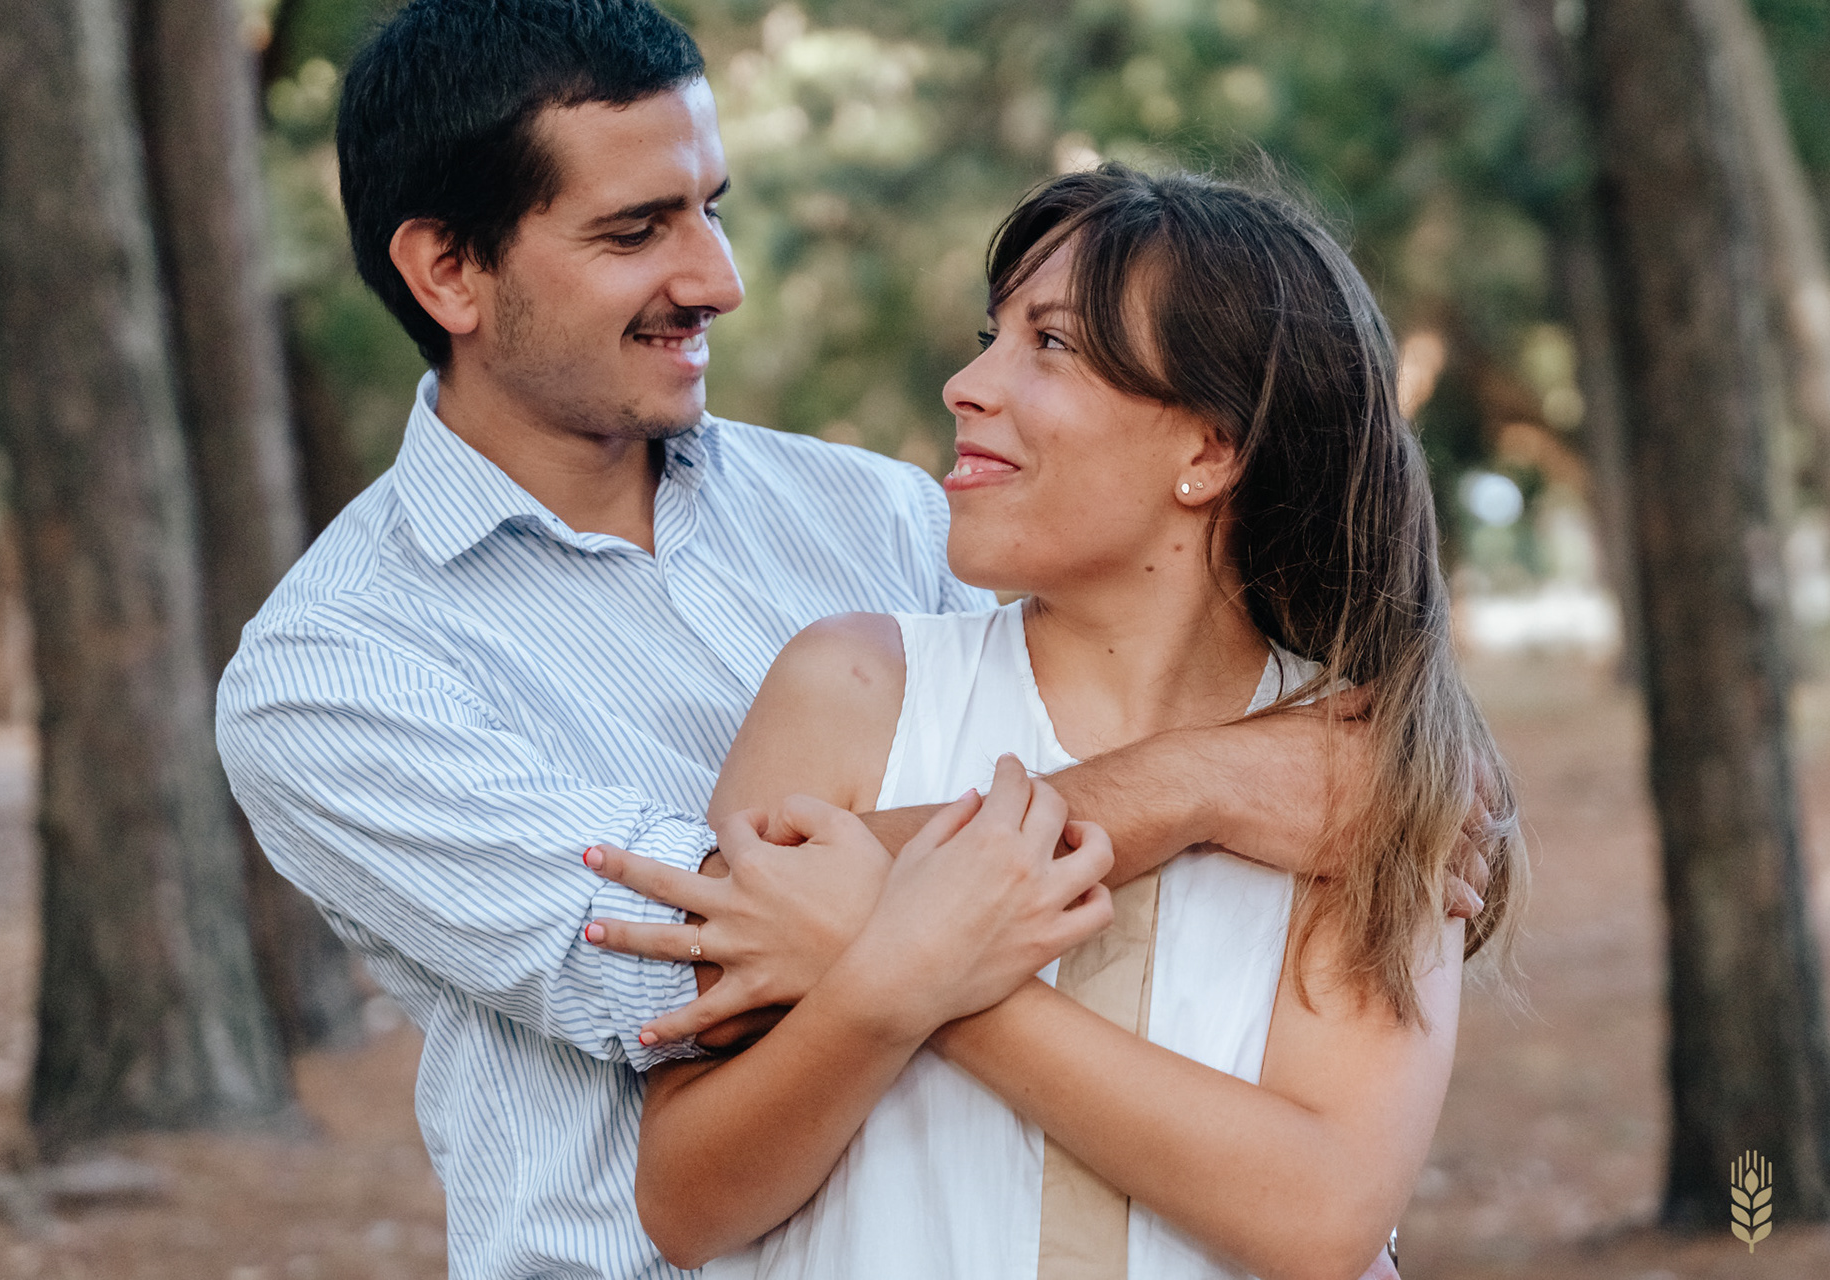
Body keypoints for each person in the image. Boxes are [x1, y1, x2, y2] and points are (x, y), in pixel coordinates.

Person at [217, 3, 1483, 1277]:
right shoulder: (330, 675)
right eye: (636, 230)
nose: (718, 277)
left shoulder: (876, 510)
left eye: (710, 205)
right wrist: (1199, 785)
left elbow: (1135, 655)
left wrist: (1397, 789)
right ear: (449, 271)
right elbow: (692, 949)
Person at [584, 166, 1524, 1280]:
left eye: (1052, 345)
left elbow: (1318, 1213)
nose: (965, 383)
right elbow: (687, 1203)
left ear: (1210, 449)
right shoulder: (851, 690)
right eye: (993, 335)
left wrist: (906, 963)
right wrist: (912, 960)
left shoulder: (1348, 769)